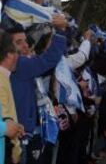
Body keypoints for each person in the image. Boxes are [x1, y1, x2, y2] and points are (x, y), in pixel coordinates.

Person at [8, 14, 67, 164]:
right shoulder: (20, 65)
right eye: (19, 42)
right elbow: (49, 59)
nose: (26, 45)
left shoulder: (22, 63)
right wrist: (60, 31)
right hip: (21, 134)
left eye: (26, 41)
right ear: (6, 47)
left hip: (23, 132)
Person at [0, 30, 25, 164]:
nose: (18, 56)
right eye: (16, 52)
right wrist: (15, 150)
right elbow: (4, 121)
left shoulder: (5, 78)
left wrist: (14, 126)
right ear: (9, 55)